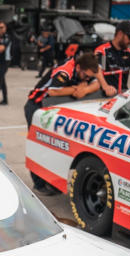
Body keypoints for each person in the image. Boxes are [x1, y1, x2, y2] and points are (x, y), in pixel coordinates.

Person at [24, 52, 109, 193]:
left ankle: (49, 181)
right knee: (39, 145)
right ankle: (38, 184)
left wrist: (86, 88)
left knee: (53, 145)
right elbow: (53, 91)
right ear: (78, 68)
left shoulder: (89, 66)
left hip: (52, 107)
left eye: (89, 77)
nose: (87, 78)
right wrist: (76, 89)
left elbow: (98, 82)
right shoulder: (65, 71)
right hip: (37, 105)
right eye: (86, 76)